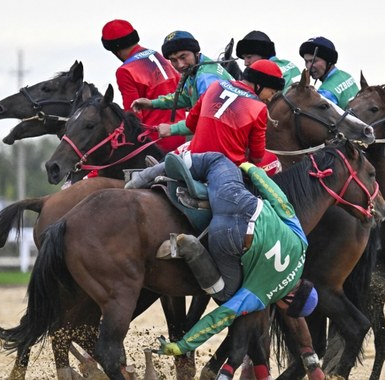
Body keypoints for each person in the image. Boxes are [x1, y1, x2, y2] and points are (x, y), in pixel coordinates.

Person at [151, 152, 320, 379]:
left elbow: (279, 199)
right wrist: (181, 346)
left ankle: (151, 173)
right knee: (227, 294)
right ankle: (192, 249)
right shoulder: (262, 295)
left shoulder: (302, 244)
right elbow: (220, 317)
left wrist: (252, 170)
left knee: (218, 160)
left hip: (239, 198)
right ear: (289, 301)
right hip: (225, 236)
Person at [123, 59, 285, 187]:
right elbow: (256, 156)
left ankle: (156, 170)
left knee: (183, 149)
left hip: (193, 157)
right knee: (272, 161)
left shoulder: (215, 85)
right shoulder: (259, 107)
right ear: (260, 84)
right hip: (225, 168)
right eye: (272, 92)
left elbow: (192, 124)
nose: (270, 98)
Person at [101, 19, 186, 153]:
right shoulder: (157, 55)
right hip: (181, 134)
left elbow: (133, 118)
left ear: (114, 49)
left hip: (156, 142)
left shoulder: (125, 70)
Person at [131, 30, 234, 138]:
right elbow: (185, 96)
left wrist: (172, 129)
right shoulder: (196, 68)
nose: (180, 65)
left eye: (183, 57)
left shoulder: (206, 78)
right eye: (173, 60)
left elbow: (206, 119)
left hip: (227, 135)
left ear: (196, 52)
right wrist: (152, 104)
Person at [299, 36, 359, 109]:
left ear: (328, 61)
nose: (308, 66)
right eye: (306, 61)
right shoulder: (346, 75)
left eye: (313, 61)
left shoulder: (326, 93)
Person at [236, 30, 301, 92]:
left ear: (263, 54)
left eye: (249, 57)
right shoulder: (289, 64)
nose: (245, 63)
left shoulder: (264, 73)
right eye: (244, 58)